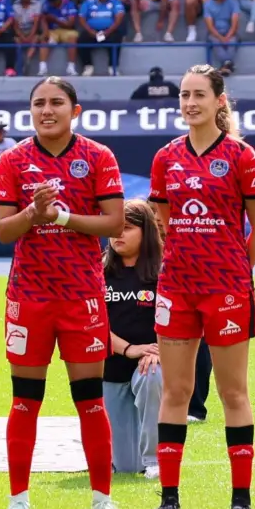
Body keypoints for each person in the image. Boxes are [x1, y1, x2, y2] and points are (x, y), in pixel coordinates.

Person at [0, 78, 128, 509]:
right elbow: (2, 231)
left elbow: (114, 224)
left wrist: (61, 215)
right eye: (38, 103)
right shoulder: (12, 160)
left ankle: (102, 499)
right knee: (24, 400)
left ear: (75, 110)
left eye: (56, 103)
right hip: (29, 297)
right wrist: (33, 213)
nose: (46, 110)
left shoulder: (98, 156)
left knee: (89, 400)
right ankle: (18, 499)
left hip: (81, 297)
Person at [148, 65, 255, 509]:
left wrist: (236, 272)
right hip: (177, 288)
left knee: (232, 392)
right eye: (183, 95)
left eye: (199, 95)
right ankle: (168, 498)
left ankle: (241, 502)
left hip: (227, 290)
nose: (189, 103)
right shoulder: (165, 158)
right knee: (175, 391)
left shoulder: (242, 157)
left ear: (220, 101)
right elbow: (162, 220)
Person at [104, 200, 168, 478]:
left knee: (153, 374)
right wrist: (128, 349)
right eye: (115, 229)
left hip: (151, 364)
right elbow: (89, 324)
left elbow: (181, 320)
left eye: (127, 228)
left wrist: (160, 351)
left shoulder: (166, 272)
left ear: (146, 232)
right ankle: (131, 458)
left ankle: (155, 459)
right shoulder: (97, 272)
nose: (118, 235)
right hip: (111, 369)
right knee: (126, 466)